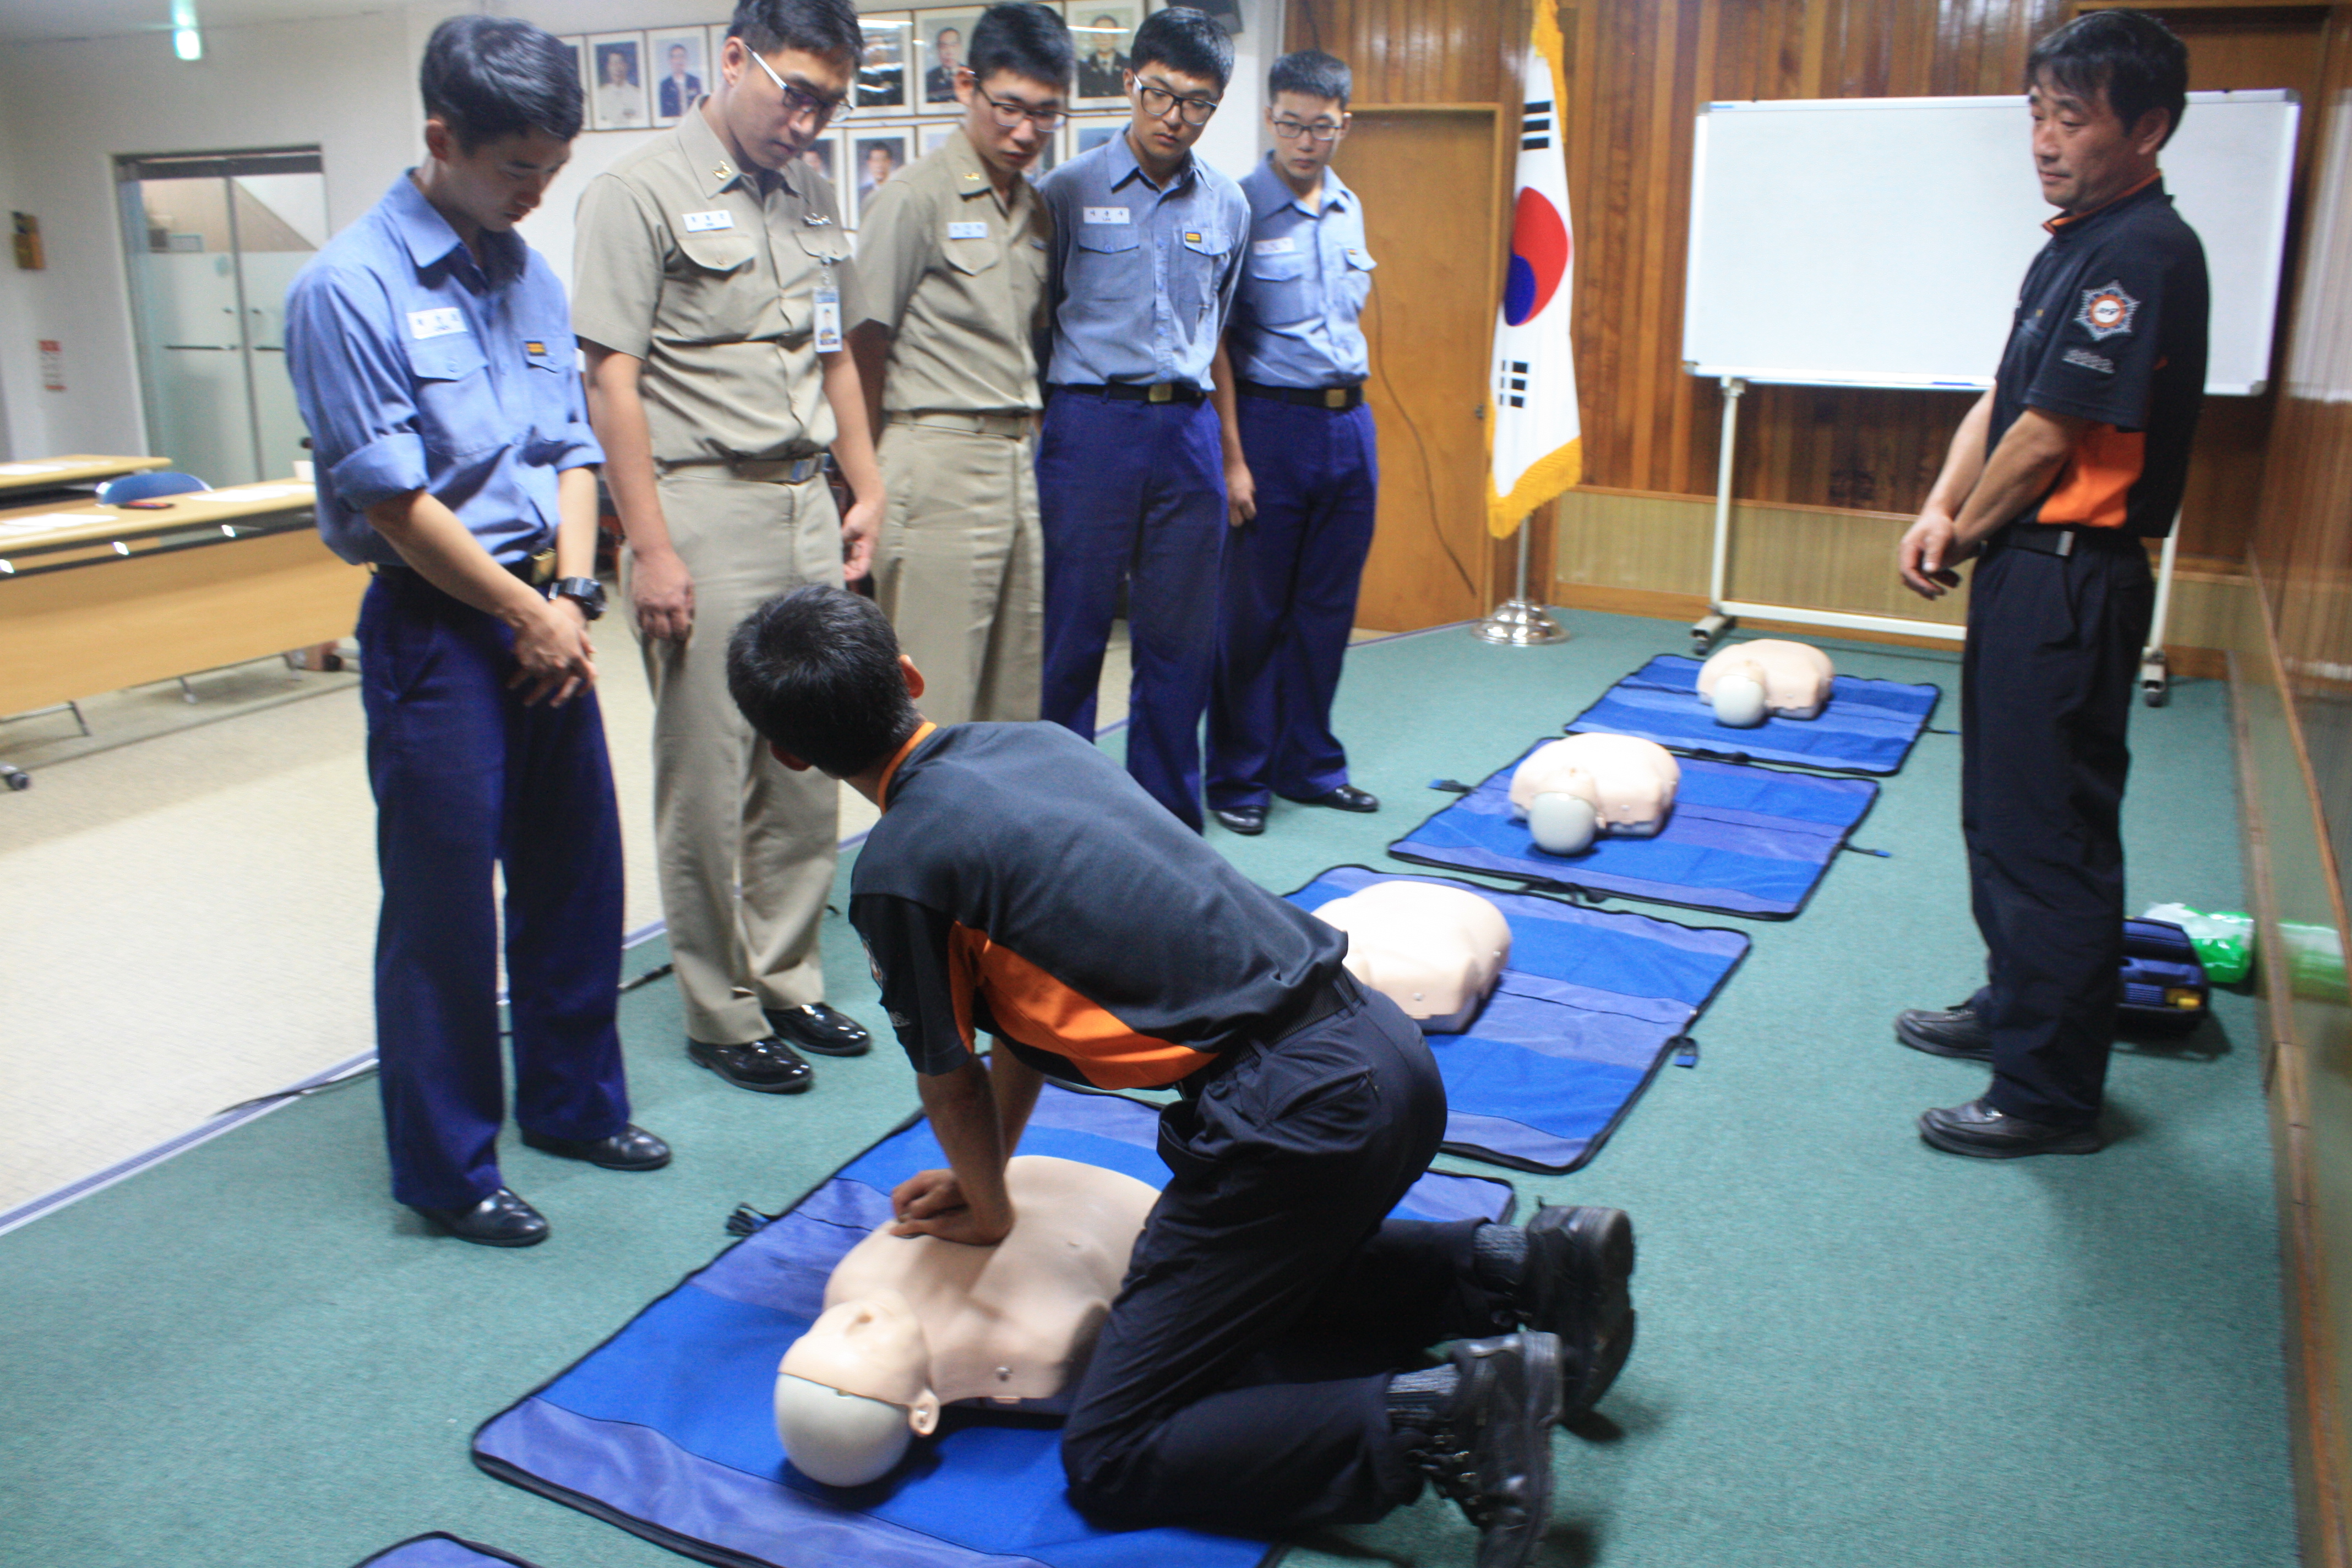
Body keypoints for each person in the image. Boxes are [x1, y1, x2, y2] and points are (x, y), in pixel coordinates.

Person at [726, 584, 1643, 1568]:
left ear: (788, 753)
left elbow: (948, 1079)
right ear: (908, 677)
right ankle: (1523, 1268)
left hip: (1296, 1121)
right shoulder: (1037, 745)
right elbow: (1021, 1026)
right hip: (1384, 1055)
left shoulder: (901, 869)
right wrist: (986, 1181)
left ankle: (1449, 1414)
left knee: (1114, 1450)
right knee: (1248, 1297)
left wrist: (989, 1213)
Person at [284, 15, 668, 1249]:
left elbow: (571, 446)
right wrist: (522, 610)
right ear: (441, 137)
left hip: (549, 608)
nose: (536, 191)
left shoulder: (526, 271)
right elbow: (391, 503)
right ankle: (449, 1169)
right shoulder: (348, 288)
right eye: (517, 168)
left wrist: (572, 595)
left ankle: (573, 1104)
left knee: (576, 876)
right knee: (444, 909)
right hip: (439, 624)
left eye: (553, 168)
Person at [1893, 8, 2206, 1159]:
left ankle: (2049, 1092)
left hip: (2075, 576)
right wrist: (1942, 503)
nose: (2044, 139)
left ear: (2147, 128)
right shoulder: (2074, 240)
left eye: (2071, 118)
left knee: (2052, 836)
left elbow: (2052, 434)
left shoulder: (2144, 251)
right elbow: (2005, 397)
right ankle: (2014, 1002)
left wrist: (1961, 536)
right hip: (2027, 567)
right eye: (2037, 113)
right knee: (2000, 812)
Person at [572, 0, 887, 1098]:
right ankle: (718, 1005)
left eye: (830, 104)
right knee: (708, 773)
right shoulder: (635, 194)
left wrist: (867, 485)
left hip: (806, 501)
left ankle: (789, 975)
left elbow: (835, 356)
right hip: (699, 505)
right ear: (735, 58)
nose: (808, 121)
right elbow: (610, 381)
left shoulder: (813, 191)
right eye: (795, 93)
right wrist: (648, 546)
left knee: (808, 758)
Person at [1033, 7, 1248, 830]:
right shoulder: (1067, 191)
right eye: (1159, 93)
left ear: (1215, 105)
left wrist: (1227, 452)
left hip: (1186, 432)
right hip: (1090, 427)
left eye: (1197, 103)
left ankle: (1164, 827)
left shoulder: (1227, 204)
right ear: (1129, 82)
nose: (1174, 117)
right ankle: (1066, 825)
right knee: (1072, 636)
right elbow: (1038, 321)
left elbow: (1216, 325)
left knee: (1179, 646)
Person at [850, 3, 1069, 727]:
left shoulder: (1035, 211)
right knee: (933, 699)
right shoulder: (913, 198)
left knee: (1011, 702)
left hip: (1013, 462)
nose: (1026, 132)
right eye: (1010, 107)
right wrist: (869, 484)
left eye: (1046, 114)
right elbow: (863, 348)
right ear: (967, 85)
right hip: (934, 459)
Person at [1205, 48, 1380, 837]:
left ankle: (1309, 766)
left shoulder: (1348, 206)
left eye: (1322, 126)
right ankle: (1238, 777)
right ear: (1270, 119)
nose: (1306, 141)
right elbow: (1217, 343)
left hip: (1349, 426)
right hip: (1270, 427)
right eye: (1291, 124)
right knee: (1253, 617)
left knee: (1326, 613)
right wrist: (1233, 457)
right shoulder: (1239, 206)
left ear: (1345, 124)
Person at [1075, 14, 1128, 97]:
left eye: (1109, 33)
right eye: (1099, 33)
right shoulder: (1082, 67)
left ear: (1116, 36)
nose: (1104, 38)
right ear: (1093, 36)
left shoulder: (1128, 65)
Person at [596, 43, 645, 129]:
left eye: (620, 63)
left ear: (626, 66)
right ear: (608, 67)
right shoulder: (600, 95)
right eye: (613, 64)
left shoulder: (638, 94)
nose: (617, 68)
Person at [657, 41, 704, 119]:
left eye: (682, 56)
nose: (679, 60)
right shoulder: (665, 85)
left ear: (686, 59)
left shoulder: (695, 82)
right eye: (676, 57)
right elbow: (664, 113)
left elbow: (700, 108)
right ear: (670, 61)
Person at [923, 25, 963, 102]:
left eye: (953, 46)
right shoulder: (929, 79)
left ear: (960, 47)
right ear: (938, 49)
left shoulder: (970, 75)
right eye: (944, 47)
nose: (949, 52)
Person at [857, 138, 902, 204]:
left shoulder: (899, 191)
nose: (880, 165)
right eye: (876, 160)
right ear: (869, 163)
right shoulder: (861, 193)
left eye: (883, 160)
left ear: (891, 162)